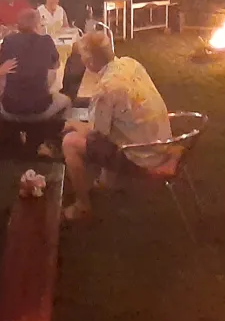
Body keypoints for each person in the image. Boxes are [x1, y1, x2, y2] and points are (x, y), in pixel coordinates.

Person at [61, 31, 171, 222]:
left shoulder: (106, 89)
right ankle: (106, 181)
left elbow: (97, 134)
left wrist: (74, 125)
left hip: (144, 156)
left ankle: (83, 206)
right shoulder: (130, 63)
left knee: (70, 142)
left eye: (83, 57)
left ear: (90, 62)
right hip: (163, 141)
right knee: (115, 124)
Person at [0, 8, 71, 121]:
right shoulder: (46, 40)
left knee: (0, 94)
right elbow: (55, 65)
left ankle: (10, 130)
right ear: (37, 24)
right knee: (67, 101)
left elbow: (2, 67)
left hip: (10, 108)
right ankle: (57, 129)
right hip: (39, 108)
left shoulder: (8, 41)